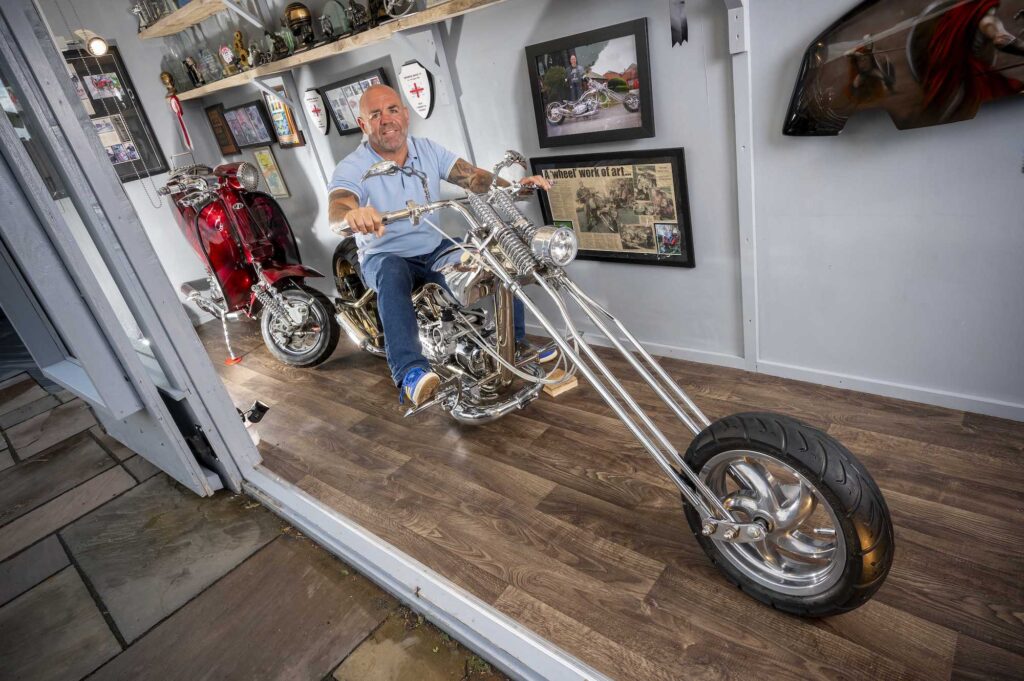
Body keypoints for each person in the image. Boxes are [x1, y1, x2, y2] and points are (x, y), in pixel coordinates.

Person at [327, 85, 554, 406]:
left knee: (495, 255)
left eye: (392, 110)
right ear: (364, 125)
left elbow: (472, 177)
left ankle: (514, 343)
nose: (386, 120)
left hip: (433, 249)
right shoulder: (353, 165)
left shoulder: (427, 150)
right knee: (391, 271)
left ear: (405, 115)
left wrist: (515, 187)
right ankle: (410, 371)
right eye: (375, 115)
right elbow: (338, 206)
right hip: (384, 255)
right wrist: (352, 215)